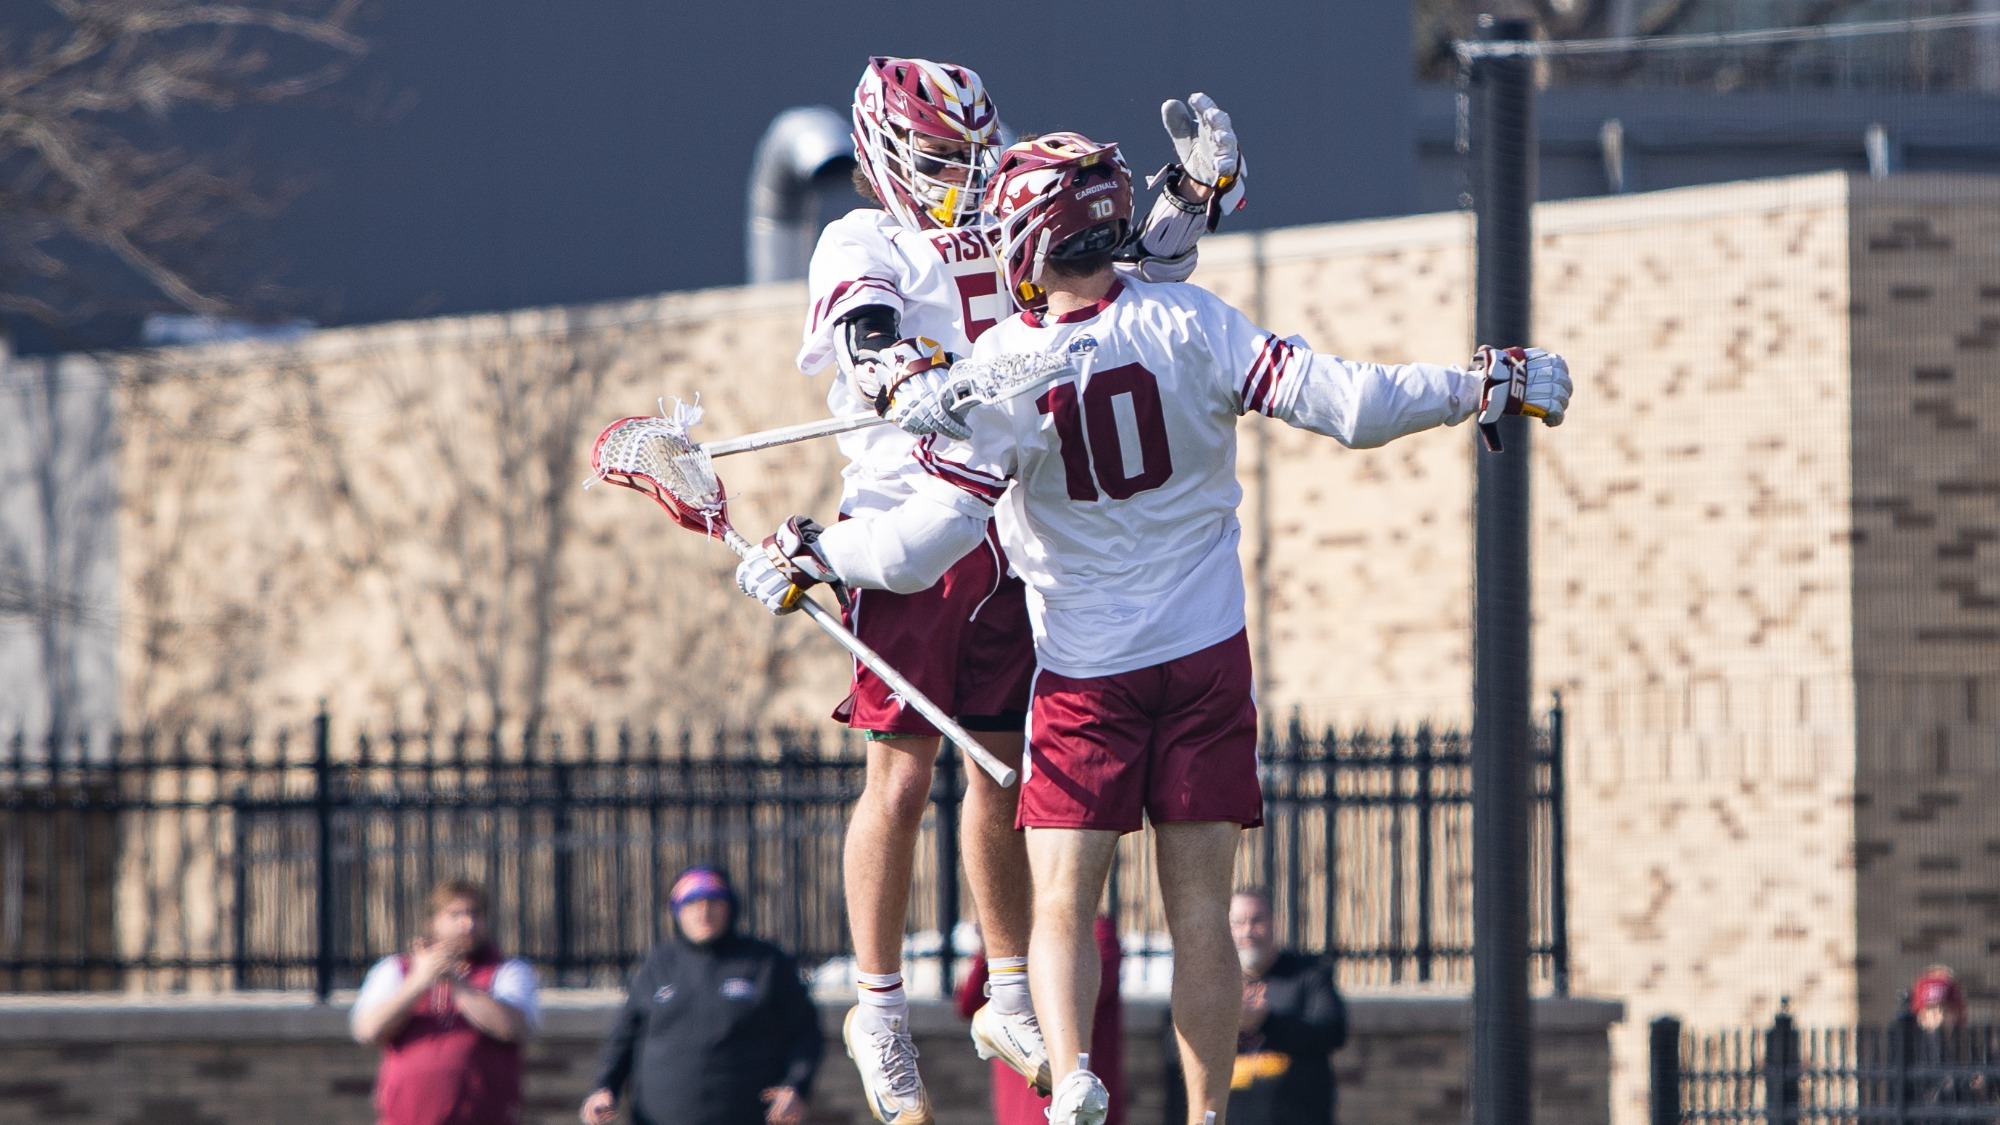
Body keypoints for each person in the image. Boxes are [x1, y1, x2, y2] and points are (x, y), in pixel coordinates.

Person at [736, 131, 1571, 1124]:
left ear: (1028, 242)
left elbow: (921, 547)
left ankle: (1072, 1082)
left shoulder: (1004, 367)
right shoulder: (1190, 320)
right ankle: (1206, 1113)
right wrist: (1481, 384)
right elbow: (1349, 405)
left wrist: (818, 553)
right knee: (1201, 917)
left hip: (1087, 675)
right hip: (1205, 658)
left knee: (1062, 901)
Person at [787, 54, 1245, 1125]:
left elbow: (1116, 263)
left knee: (1001, 768)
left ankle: (1003, 991)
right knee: (902, 772)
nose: (963, 177)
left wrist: (1188, 196)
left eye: (971, 155)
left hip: (1009, 518)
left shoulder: (1004, 210)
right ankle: (878, 1007)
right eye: (940, 157)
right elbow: (864, 329)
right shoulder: (862, 238)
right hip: (910, 518)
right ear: (888, 152)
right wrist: (901, 372)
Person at [580, 867, 823, 1125]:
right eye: (692, 903)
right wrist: (604, 1088)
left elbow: (806, 1033)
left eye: (713, 902)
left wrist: (796, 1086)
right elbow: (623, 1037)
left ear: (730, 907)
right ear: (677, 912)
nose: (703, 912)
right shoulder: (659, 965)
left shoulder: (765, 963)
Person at [350, 879, 541, 1125]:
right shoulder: (395, 970)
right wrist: (420, 980)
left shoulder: (507, 971)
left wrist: (456, 982)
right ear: (433, 921)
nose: (468, 924)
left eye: (476, 914)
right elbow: (368, 1030)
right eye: (456, 915)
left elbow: (510, 1027)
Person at [1166, 890, 1348, 1125]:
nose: (1248, 931)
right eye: (1238, 923)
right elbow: (1177, 1049)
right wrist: (1229, 1022)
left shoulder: (1308, 974)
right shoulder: (1208, 984)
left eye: (1257, 920)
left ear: (1274, 923)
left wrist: (1266, 1021)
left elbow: (1332, 1031)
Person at [959, 917, 1126, 1125]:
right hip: (1020, 1102)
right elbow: (969, 1003)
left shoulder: (1095, 934)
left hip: (1073, 1102)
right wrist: (992, 944)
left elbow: (1074, 996)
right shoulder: (1010, 937)